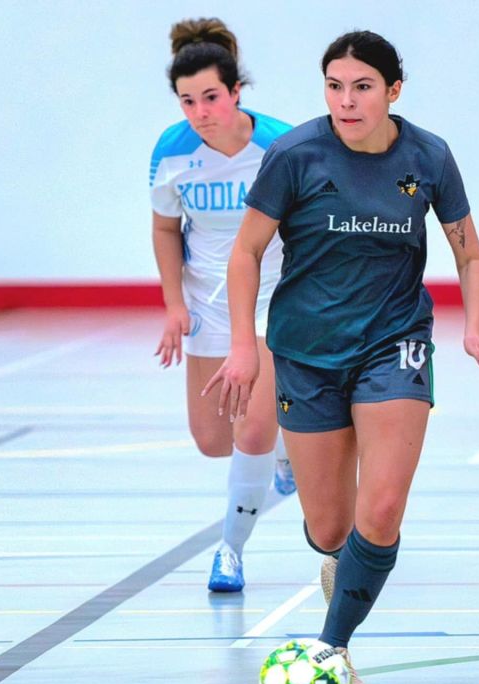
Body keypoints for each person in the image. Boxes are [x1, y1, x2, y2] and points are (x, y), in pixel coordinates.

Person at [203, 30, 479, 684]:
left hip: (395, 343)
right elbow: (246, 252)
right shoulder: (295, 155)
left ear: (393, 91)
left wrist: (475, 329)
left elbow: (470, 254)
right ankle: (338, 570)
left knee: (384, 506)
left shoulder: (428, 156)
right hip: (305, 352)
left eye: (362, 87)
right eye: (335, 87)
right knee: (331, 529)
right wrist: (245, 345)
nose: (346, 100)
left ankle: (331, 649)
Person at [150, 18, 296, 593]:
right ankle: (287, 453)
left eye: (210, 97)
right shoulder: (172, 152)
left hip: (272, 296)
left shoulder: (280, 146)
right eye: (188, 101)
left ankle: (230, 552)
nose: (200, 112)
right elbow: (165, 229)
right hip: (207, 302)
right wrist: (173, 304)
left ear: (236, 91)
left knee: (251, 430)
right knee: (214, 440)